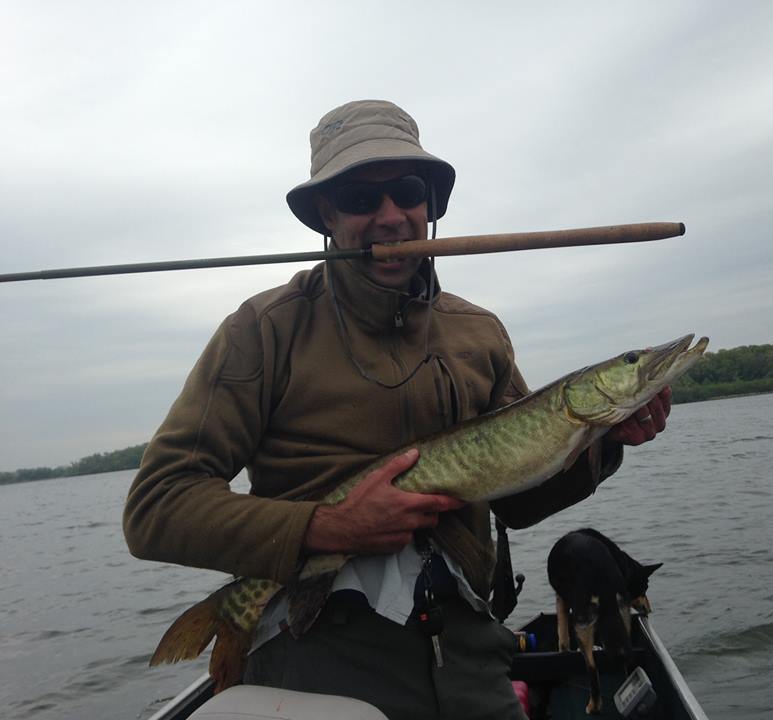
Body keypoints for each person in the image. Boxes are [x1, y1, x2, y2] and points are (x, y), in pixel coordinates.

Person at [123, 99, 672, 720]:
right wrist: (326, 528)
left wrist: (605, 443)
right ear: (327, 214)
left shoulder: (479, 333)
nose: (389, 215)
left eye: (407, 191)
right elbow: (156, 506)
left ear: (430, 203)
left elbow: (518, 503)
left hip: (468, 653)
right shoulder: (264, 330)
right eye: (360, 197)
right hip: (319, 653)